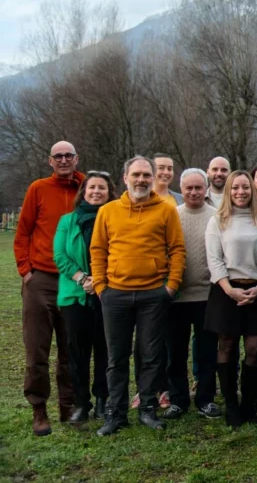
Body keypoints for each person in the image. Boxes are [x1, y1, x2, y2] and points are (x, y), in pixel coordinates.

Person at [92, 155, 187, 436]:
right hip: (115, 294)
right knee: (116, 357)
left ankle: (147, 408)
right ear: (125, 178)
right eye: (136, 174)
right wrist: (101, 287)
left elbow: (177, 249)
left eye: (146, 175)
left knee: (151, 355)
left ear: (153, 178)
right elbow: (98, 250)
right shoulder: (108, 211)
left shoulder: (166, 210)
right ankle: (116, 413)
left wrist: (171, 286)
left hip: (153, 294)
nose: (141, 180)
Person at [16, 141, 84, 436]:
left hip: (75, 279)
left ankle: (69, 406)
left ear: (76, 158)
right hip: (41, 278)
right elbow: (23, 232)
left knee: (72, 348)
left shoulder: (86, 187)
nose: (64, 160)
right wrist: (26, 271)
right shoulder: (39, 189)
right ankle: (39, 408)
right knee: (37, 348)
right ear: (50, 161)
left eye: (69, 155)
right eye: (59, 156)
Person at [205, 170, 257, 427]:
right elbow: (214, 259)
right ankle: (231, 404)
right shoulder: (217, 221)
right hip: (226, 291)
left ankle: (249, 403)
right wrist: (228, 288)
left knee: (255, 348)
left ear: (253, 191)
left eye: (245, 187)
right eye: (235, 187)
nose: (240, 192)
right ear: (228, 191)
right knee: (227, 346)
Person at [54, 171, 115, 426]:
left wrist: (100, 281)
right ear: (84, 191)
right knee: (77, 351)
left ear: (109, 193)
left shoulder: (115, 219)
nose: (96, 192)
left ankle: (102, 399)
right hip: (75, 295)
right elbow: (60, 255)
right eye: (92, 188)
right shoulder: (67, 221)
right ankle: (81, 402)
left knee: (105, 348)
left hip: (108, 293)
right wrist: (83, 279)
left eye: (102, 188)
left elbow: (121, 253)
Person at [163, 169, 221, 421]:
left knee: (207, 352)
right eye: (189, 188)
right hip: (176, 297)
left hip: (208, 296)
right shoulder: (171, 216)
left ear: (206, 189)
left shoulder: (217, 216)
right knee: (175, 352)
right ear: (181, 188)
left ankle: (205, 399)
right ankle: (178, 400)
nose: (194, 192)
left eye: (199, 187)